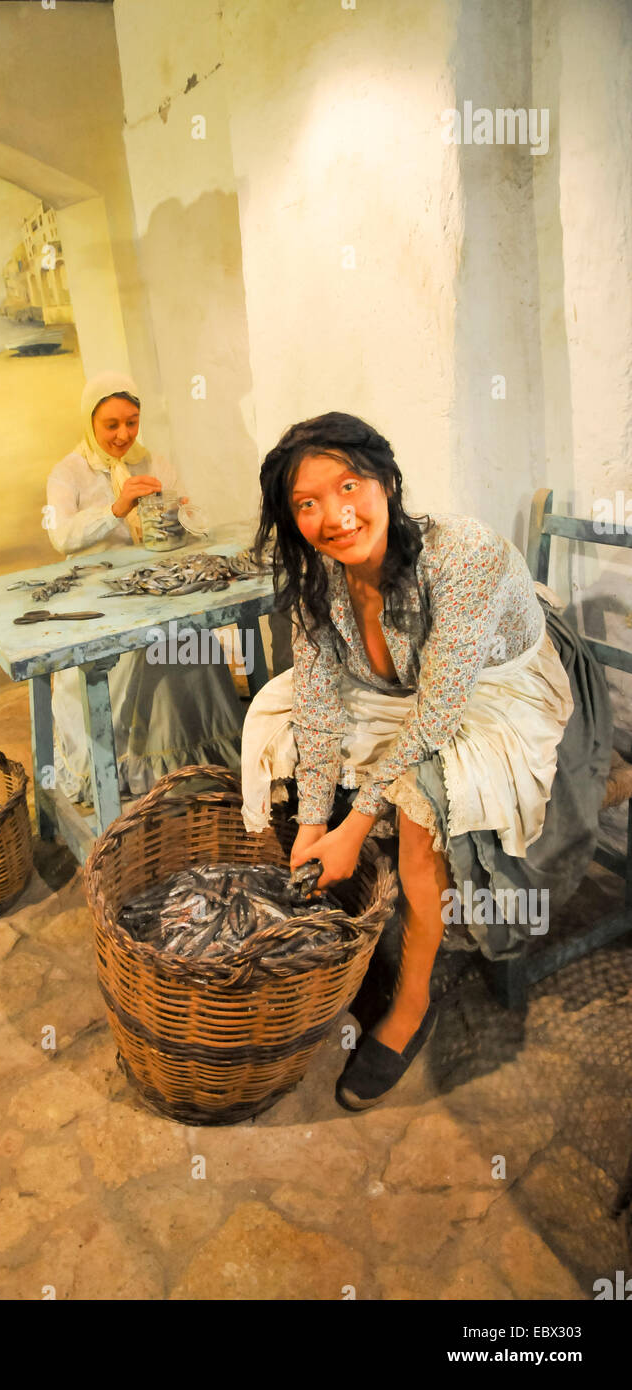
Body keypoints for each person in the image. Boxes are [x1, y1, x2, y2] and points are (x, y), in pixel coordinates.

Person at [242, 412, 613, 1111]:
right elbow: (319, 697)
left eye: (348, 485)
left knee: (414, 798)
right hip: (412, 684)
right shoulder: (319, 575)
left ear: (385, 481)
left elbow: (439, 712)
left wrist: (352, 828)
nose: (334, 516)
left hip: (507, 683)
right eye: (307, 504)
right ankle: (366, 926)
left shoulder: (460, 556)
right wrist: (314, 824)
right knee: (279, 721)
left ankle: (409, 1006)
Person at [44, 371, 246, 803]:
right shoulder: (68, 473)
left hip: (153, 585)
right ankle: (122, 768)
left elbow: (189, 521)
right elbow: (60, 536)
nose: (123, 434)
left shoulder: (152, 461)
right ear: (90, 423)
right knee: (132, 654)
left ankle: (194, 760)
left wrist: (182, 512)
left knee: (188, 638)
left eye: (132, 422)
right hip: (98, 597)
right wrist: (116, 508)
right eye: (111, 425)